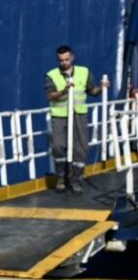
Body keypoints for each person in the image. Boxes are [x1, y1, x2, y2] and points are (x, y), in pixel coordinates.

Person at [45, 45, 109, 193]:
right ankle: (61, 177)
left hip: (79, 115)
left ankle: (76, 180)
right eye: (61, 60)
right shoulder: (51, 75)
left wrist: (101, 87)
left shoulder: (84, 72)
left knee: (80, 148)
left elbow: (92, 91)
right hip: (60, 115)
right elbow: (50, 95)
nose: (64, 63)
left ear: (72, 57)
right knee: (58, 146)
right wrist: (64, 91)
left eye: (66, 59)